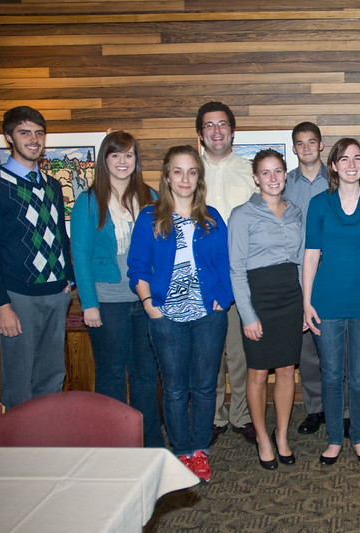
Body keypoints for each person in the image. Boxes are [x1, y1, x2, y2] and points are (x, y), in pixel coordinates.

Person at [128, 145, 233, 482]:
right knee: (174, 389)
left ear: (198, 177)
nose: (185, 178)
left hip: (208, 316)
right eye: (178, 171)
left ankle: (200, 451)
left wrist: (223, 299)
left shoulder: (212, 217)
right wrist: (149, 305)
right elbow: (138, 266)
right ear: (168, 176)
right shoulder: (149, 218)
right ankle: (182, 451)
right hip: (166, 317)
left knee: (204, 387)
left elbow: (225, 265)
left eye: (192, 171)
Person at [70, 131, 163, 447]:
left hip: (144, 302)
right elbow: (80, 255)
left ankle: (148, 442)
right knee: (111, 376)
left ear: (136, 160)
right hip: (107, 302)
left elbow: (162, 250)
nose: (123, 161)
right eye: (116, 155)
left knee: (146, 377)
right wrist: (89, 303)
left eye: (129, 155)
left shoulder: (150, 197)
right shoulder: (88, 201)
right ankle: (112, 444)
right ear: (104, 160)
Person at [303, 138, 360, 465]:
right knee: (330, 374)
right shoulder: (319, 204)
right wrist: (306, 302)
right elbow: (311, 256)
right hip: (325, 301)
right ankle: (333, 438)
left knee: (359, 375)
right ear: (334, 166)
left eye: (357, 158)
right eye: (344, 159)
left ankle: (358, 436)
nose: (351, 164)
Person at [0, 106, 74, 410]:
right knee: (19, 382)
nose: (34, 139)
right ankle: (19, 455)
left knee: (52, 377)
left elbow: (60, 234)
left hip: (56, 294)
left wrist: (68, 278)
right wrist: (1, 305)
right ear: (9, 137)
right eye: (25, 132)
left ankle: (47, 449)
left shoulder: (52, 185)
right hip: (16, 297)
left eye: (39, 132)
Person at [229, 149, 303, 470]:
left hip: (290, 298)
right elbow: (236, 269)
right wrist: (247, 315)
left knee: (287, 370)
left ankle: (282, 434)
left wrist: (304, 305)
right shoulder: (242, 215)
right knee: (258, 373)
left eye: (278, 172)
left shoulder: (297, 213)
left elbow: (301, 263)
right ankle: (261, 437)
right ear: (256, 178)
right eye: (266, 173)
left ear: (285, 175)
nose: (273, 178)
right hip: (258, 299)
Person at [196, 101, 257, 446]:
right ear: (201, 133)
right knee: (208, 354)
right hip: (198, 277)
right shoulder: (191, 172)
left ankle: (241, 416)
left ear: (233, 131)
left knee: (239, 352)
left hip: (239, 276)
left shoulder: (249, 171)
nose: (216, 131)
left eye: (222, 125)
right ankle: (214, 416)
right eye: (209, 125)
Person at [283, 121, 332, 436]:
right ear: (294, 147)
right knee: (308, 354)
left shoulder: (340, 179)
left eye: (311, 142)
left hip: (334, 276)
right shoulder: (283, 184)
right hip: (297, 278)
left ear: (321, 144)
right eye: (299, 143)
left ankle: (340, 410)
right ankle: (315, 410)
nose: (306, 147)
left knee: (337, 350)